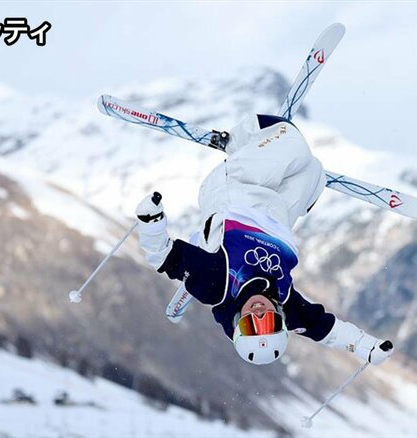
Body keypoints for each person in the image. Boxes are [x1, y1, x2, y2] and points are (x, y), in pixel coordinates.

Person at [135, 113, 393, 365]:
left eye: (250, 325)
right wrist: (366, 347)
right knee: (314, 170)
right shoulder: (284, 302)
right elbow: (322, 328)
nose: (259, 313)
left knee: (290, 138)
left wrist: (151, 222)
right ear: (280, 320)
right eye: (269, 322)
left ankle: (239, 141)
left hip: (236, 192)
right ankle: (273, 156)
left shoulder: (217, 284)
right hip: (276, 216)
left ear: (237, 323)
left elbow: (163, 257)